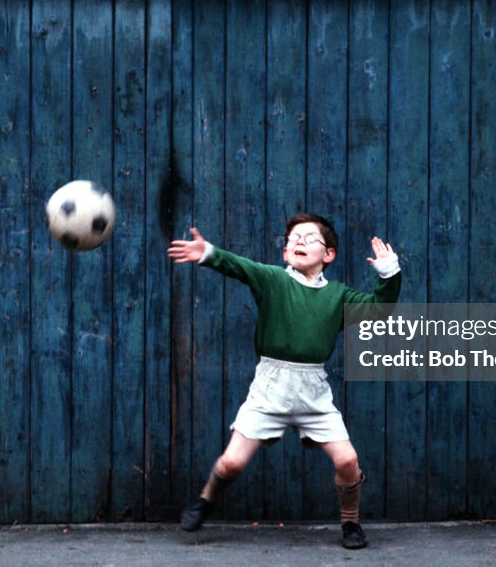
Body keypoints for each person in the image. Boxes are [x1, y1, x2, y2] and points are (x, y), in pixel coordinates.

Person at [167, 212, 401, 549]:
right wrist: (208, 253)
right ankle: (205, 500)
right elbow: (240, 266)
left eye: (308, 238)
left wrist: (389, 273)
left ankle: (350, 523)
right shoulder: (273, 279)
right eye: (292, 239)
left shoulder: (339, 296)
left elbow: (380, 308)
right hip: (270, 387)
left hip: (314, 393)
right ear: (285, 252)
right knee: (232, 462)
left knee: (348, 461)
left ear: (329, 254)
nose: (298, 242)